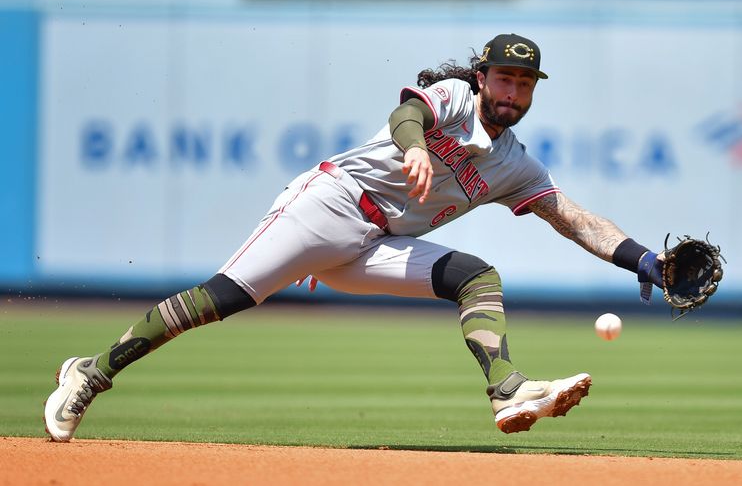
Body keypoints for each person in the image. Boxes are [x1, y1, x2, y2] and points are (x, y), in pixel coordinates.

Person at [44, 33, 664, 441]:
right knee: (221, 299)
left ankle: (507, 389)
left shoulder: (515, 165)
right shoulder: (452, 99)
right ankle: (90, 373)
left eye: (525, 84)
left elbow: (572, 216)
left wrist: (644, 259)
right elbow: (407, 115)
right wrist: (417, 150)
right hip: (329, 205)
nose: (513, 92)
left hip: (375, 242)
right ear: (482, 78)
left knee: (476, 275)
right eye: (504, 79)